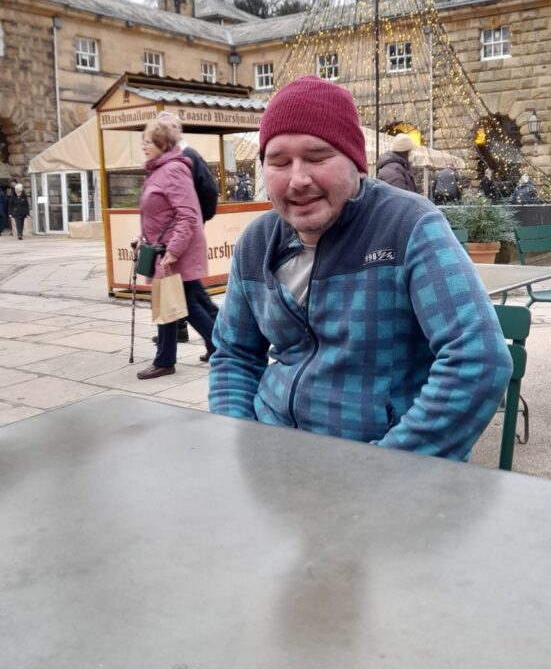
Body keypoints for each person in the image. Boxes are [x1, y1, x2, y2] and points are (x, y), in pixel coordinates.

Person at [209, 76, 512, 460]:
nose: (298, 179)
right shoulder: (256, 244)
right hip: (275, 456)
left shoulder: (409, 226)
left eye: (317, 157)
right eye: (279, 161)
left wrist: (385, 467)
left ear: (357, 162)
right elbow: (233, 355)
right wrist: (241, 440)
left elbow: (479, 360)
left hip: (382, 461)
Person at [136, 119, 215, 379]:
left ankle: (223, 348)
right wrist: (142, 239)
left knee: (186, 305)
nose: (144, 146)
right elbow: (158, 215)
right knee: (171, 304)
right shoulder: (159, 170)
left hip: (174, 253)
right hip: (163, 251)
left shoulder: (172, 170)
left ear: (161, 143)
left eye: (147, 142)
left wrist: (174, 250)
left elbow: (188, 215)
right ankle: (168, 359)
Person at [153, 111, 219, 355]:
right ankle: (175, 342)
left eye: (168, 127)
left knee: (190, 297)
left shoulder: (186, 157)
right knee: (188, 294)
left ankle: (218, 344)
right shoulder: (170, 159)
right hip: (176, 236)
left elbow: (209, 193)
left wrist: (197, 221)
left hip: (182, 236)